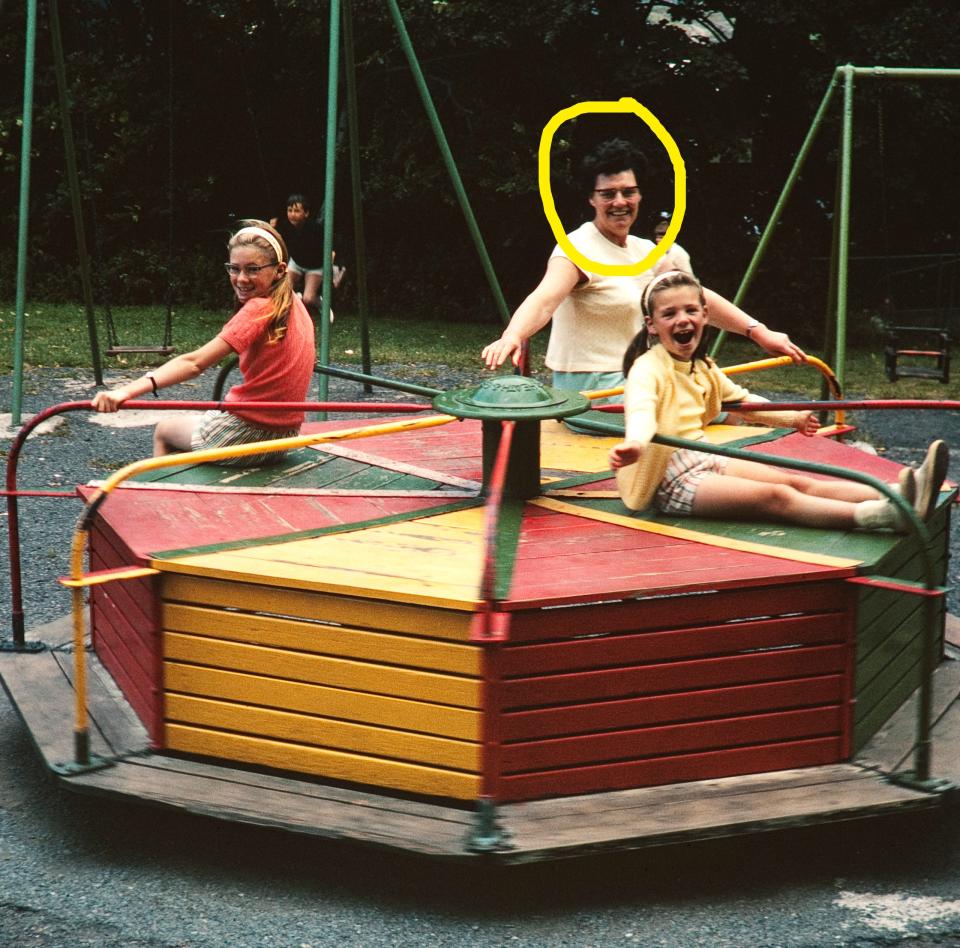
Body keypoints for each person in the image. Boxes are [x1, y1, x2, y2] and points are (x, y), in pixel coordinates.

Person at [608, 269, 949, 533]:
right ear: (652, 325)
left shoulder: (702, 366)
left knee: (795, 481)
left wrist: (793, 418)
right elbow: (641, 410)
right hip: (670, 480)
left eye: (690, 310)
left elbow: (744, 401)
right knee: (776, 498)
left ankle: (900, 491)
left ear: (704, 315)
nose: (681, 319)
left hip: (701, 456)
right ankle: (881, 516)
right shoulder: (647, 368)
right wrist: (635, 444)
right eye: (669, 314)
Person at [481, 139, 805, 401]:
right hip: (595, 391)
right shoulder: (577, 247)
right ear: (591, 199)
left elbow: (696, 296)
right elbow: (545, 298)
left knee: (744, 403)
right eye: (608, 194)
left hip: (638, 379)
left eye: (628, 192)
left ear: (639, 194)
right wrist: (513, 335)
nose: (620, 201)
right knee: (699, 405)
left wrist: (758, 332)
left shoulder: (644, 250)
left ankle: (800, 454)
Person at [91, 220, 316, 467]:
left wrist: (125, 391)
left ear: (280, 270)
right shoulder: (294, 304)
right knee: (201, 421)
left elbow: (194, 363)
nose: (241, 279)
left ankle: (167, 498)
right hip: (284, 436)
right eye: (234, 268)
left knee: (164, 431)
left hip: (246, 435)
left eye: (253, 269)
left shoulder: (260, 308)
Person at [270, 193, 344, 321]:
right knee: (283, 290)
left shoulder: (315, 229)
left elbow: (334, 242)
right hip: (296, 263)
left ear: (306, 213)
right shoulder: (284, 226)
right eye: (290, 210)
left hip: (315, 266)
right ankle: (294, 302)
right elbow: (272, 240)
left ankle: (321, 304)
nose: (292, 214)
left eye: (297, 211)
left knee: (308, 298)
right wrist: (272, 228)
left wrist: (333, 254)